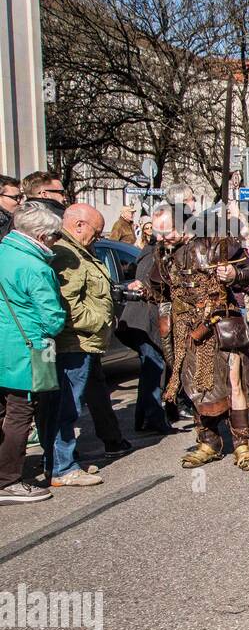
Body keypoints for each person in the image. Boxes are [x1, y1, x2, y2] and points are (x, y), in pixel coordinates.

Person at [149, 206, 249, 471]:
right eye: (158, 233)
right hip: (187, 329)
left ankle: (243, 445)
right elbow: (158, 288)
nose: (162, 238)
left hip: (221, 324)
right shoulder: (164, 255)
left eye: (167, 232)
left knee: (234, 383)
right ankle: (209, 442)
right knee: (195, 386)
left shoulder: (219, 245)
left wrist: (233, 275)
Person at [37, 203, 131, 488]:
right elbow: (67, 303)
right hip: (72, 343)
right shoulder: (67, 254)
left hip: (80, 343)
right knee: (65, 406)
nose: (98, 237)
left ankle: (62, 462)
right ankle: (62, 467)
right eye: (96, 231)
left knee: (67, 404)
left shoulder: (78, 251)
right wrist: (100, 321)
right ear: (79, 225)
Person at [0, 203, 67, 504]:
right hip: (25, 348)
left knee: (3, 411)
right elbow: (52, 318)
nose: (55, 241)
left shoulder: (4, 253)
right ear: (41, 235)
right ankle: (8, 480)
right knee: (19, 412)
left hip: (4, 344)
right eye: (54, 236)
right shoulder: (35, 267)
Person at [119, 230, 172, 435]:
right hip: (144, 319)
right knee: (154, 367)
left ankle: (143, 419)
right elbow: (153, 288)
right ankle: (152, 419)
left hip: (138, 319)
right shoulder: (155, 255)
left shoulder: (146, 252)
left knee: (150, 367)